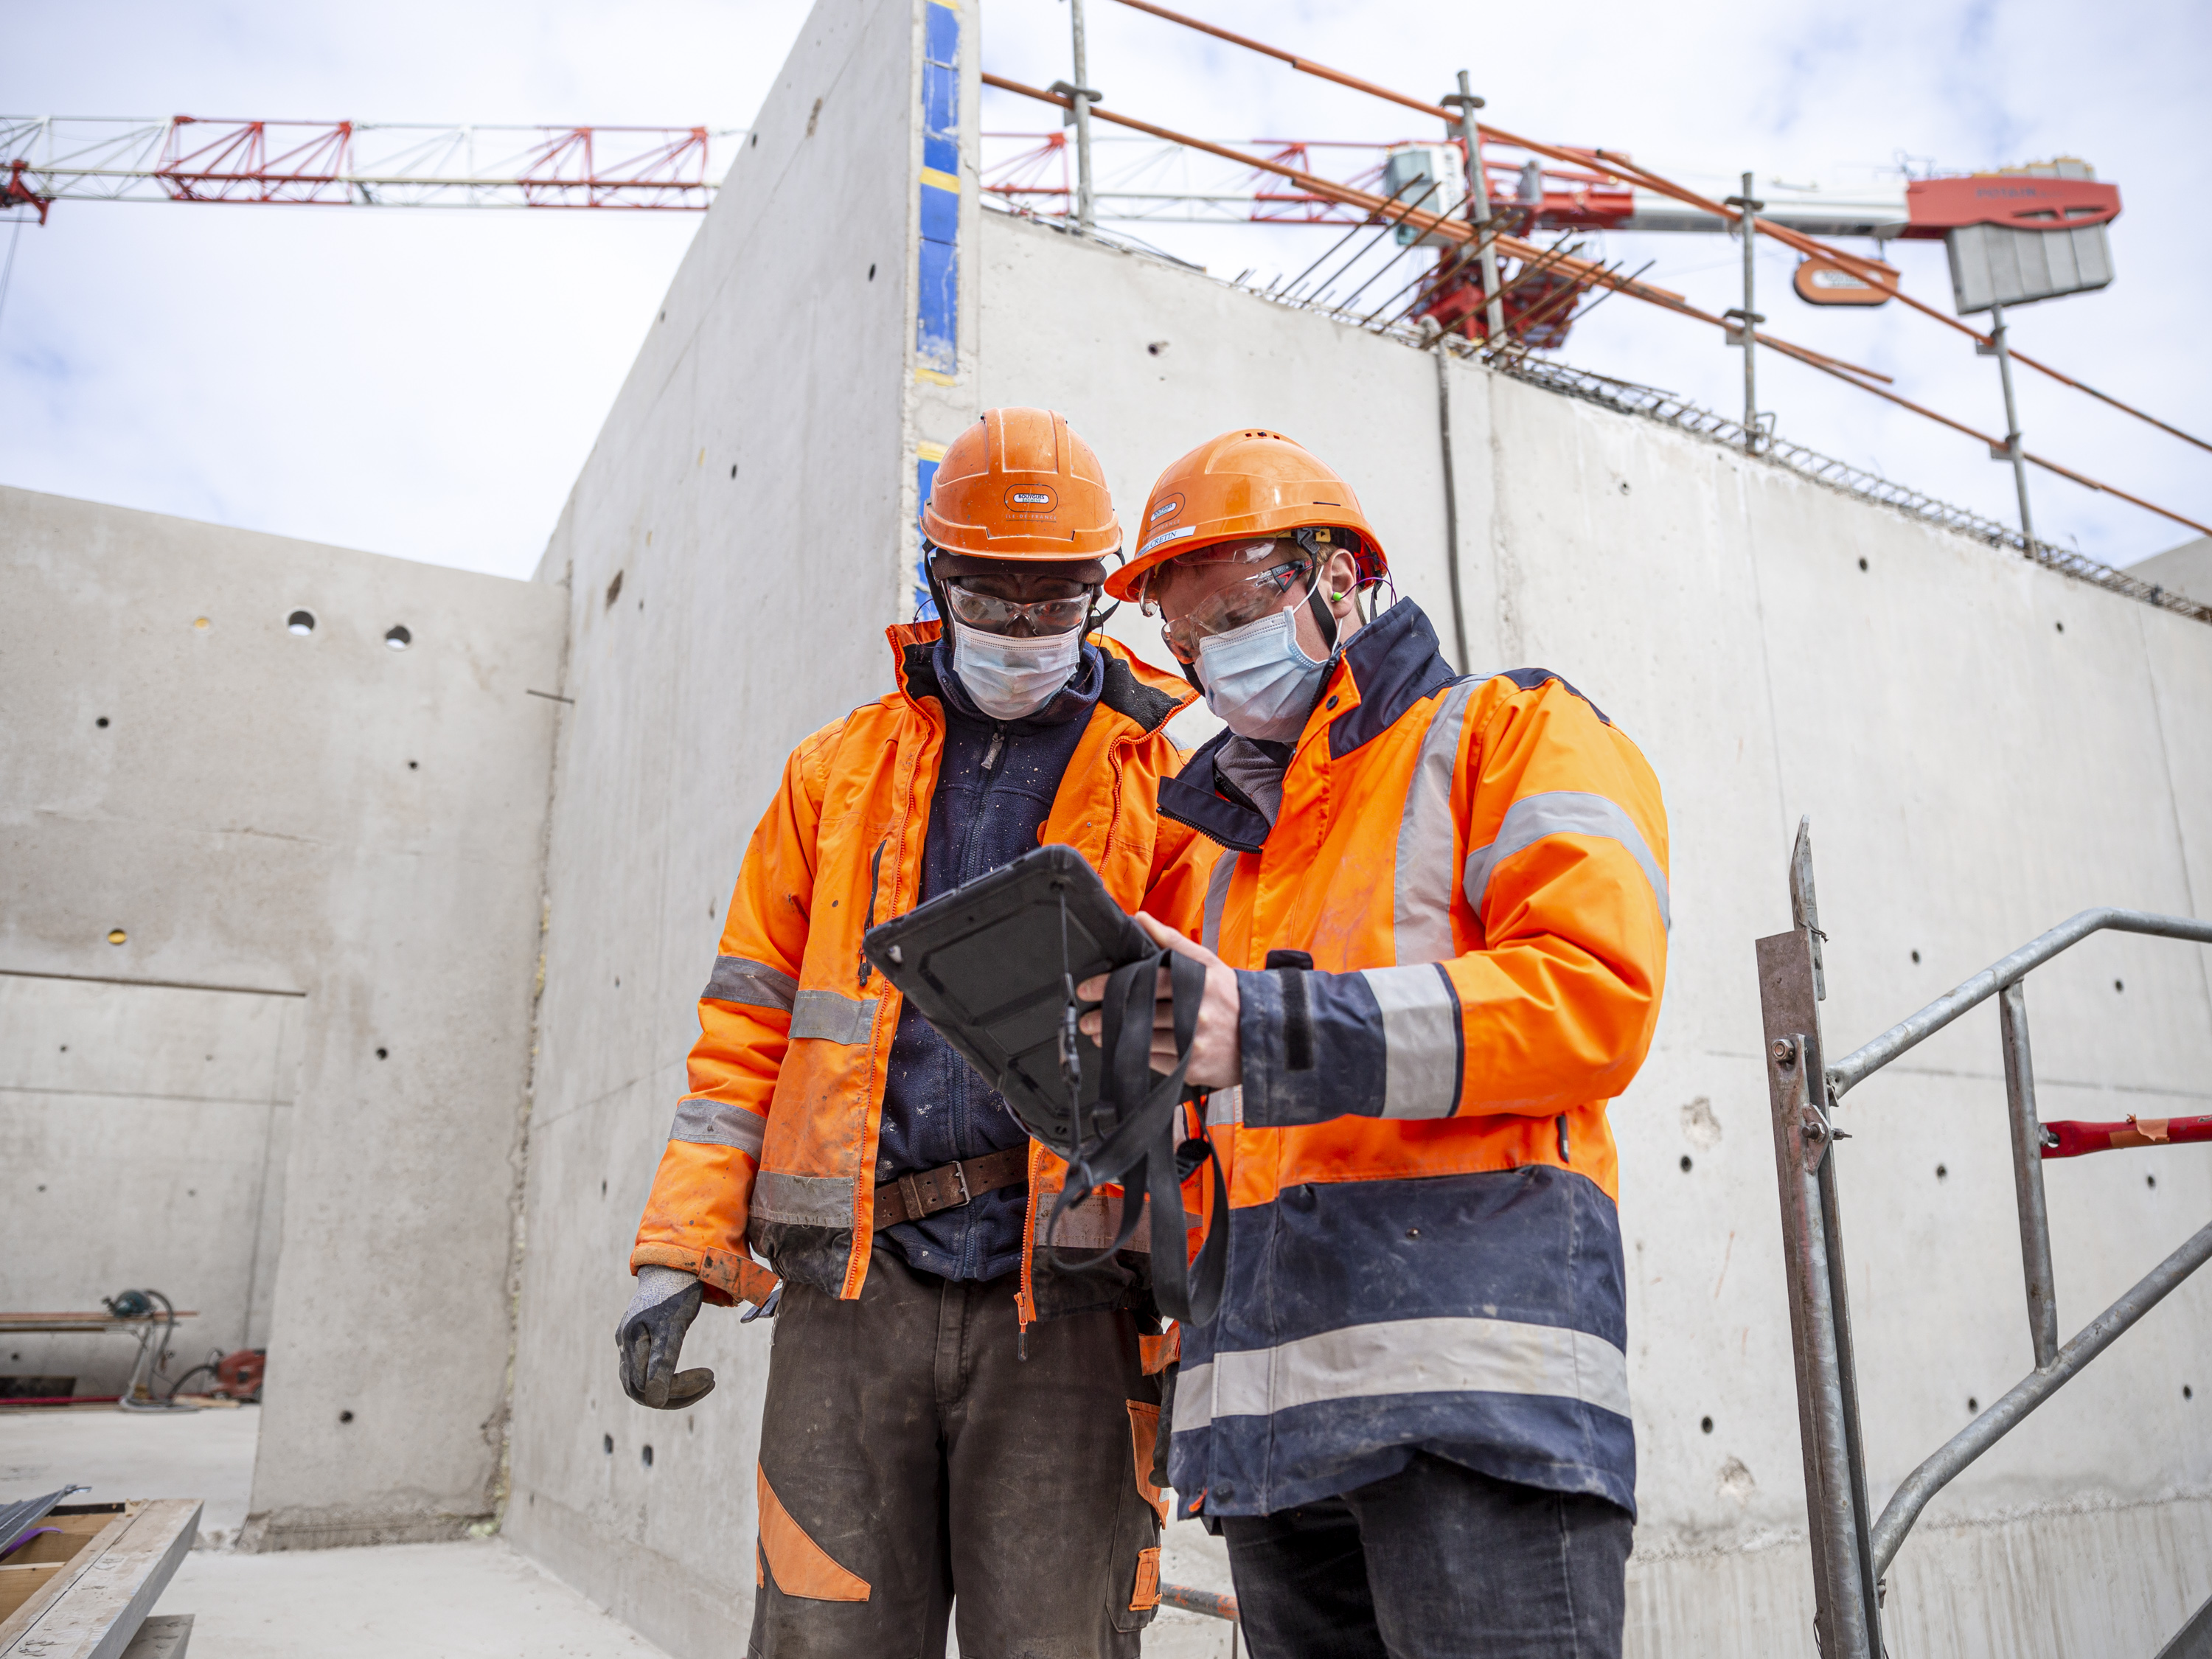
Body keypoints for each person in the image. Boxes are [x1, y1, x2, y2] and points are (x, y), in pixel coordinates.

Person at [616, 408, 1214, 1657]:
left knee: (1059, 1639)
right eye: (987, 597)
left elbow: (1213, 1059)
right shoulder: (834, 772)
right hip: (854, 1286)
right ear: (933, 581)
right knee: (822, 1635)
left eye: (1052, 602)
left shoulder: (1174, 782)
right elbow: (746, 1029)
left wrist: (1213, 1297)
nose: (1018, 630)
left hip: (1068, 1295)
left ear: (1101, 595)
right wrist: (683, 1250)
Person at [1083, 427, 1670, 1659]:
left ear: (1341, 576)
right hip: (1275, 1437)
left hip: (1478, 1406)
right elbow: (1220, 1151)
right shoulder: (1214, 850)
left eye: (1239, 609)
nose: (1209, 661)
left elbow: (1593, 995)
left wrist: (1273, 1023)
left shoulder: (1513, 732)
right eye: (1184, 642)